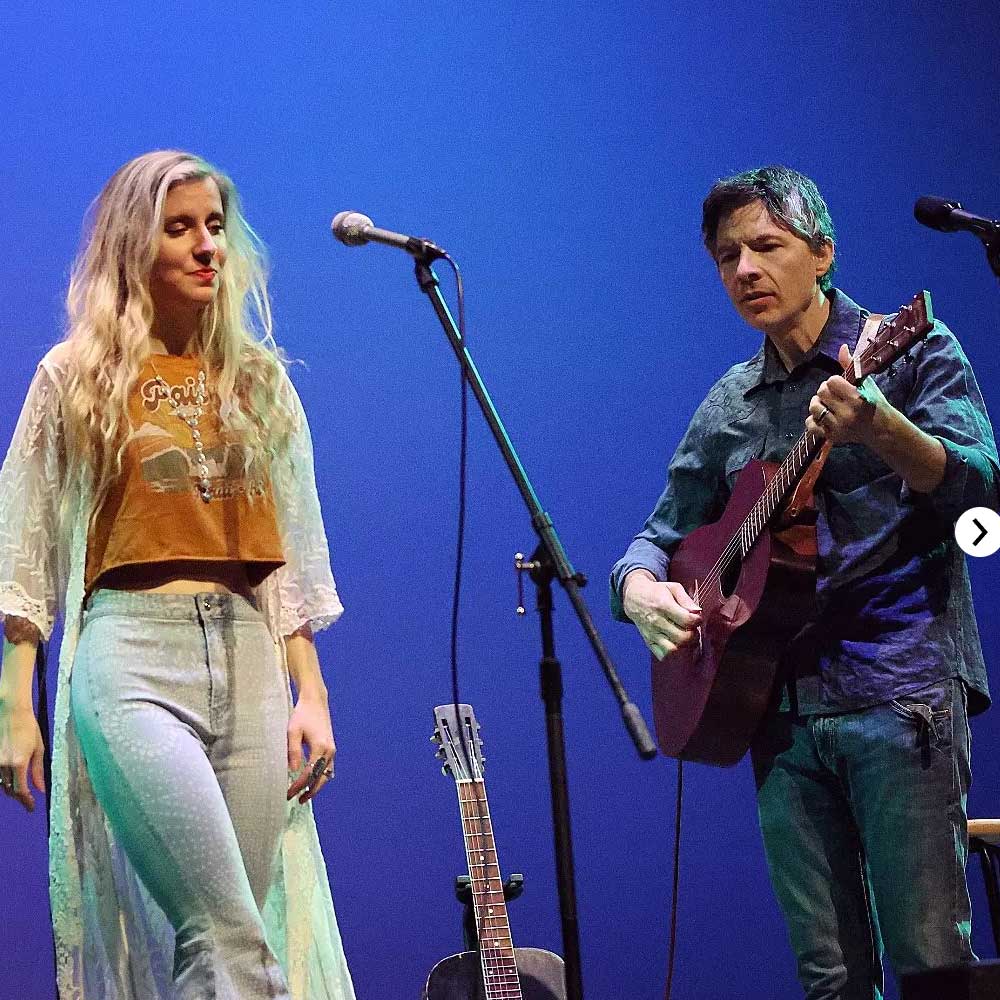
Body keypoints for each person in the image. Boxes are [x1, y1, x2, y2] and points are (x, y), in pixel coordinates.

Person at [611, 165, 999, 999]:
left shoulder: (912, 348)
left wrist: (881, 428)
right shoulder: (733, 401)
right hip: (779, 712)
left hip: (901, 692)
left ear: (822, 253)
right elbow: (658, 536)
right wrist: (637, 590)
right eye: (727, 257)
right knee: (828, 978)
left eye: (766, 246)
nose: (745, 269)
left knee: (931, 964)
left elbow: (983, 494)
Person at [0, 150, 355, 1000]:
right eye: (180, 228)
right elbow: (25, 548)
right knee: (226, 936)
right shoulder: (75, 377)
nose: (207, 246)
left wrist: (311, 692)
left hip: (248, 660)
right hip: (133, 661)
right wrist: (15, 703)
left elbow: (292, 553)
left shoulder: (259, 383)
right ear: (135, 246)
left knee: (239, 936)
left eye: (216, 227)